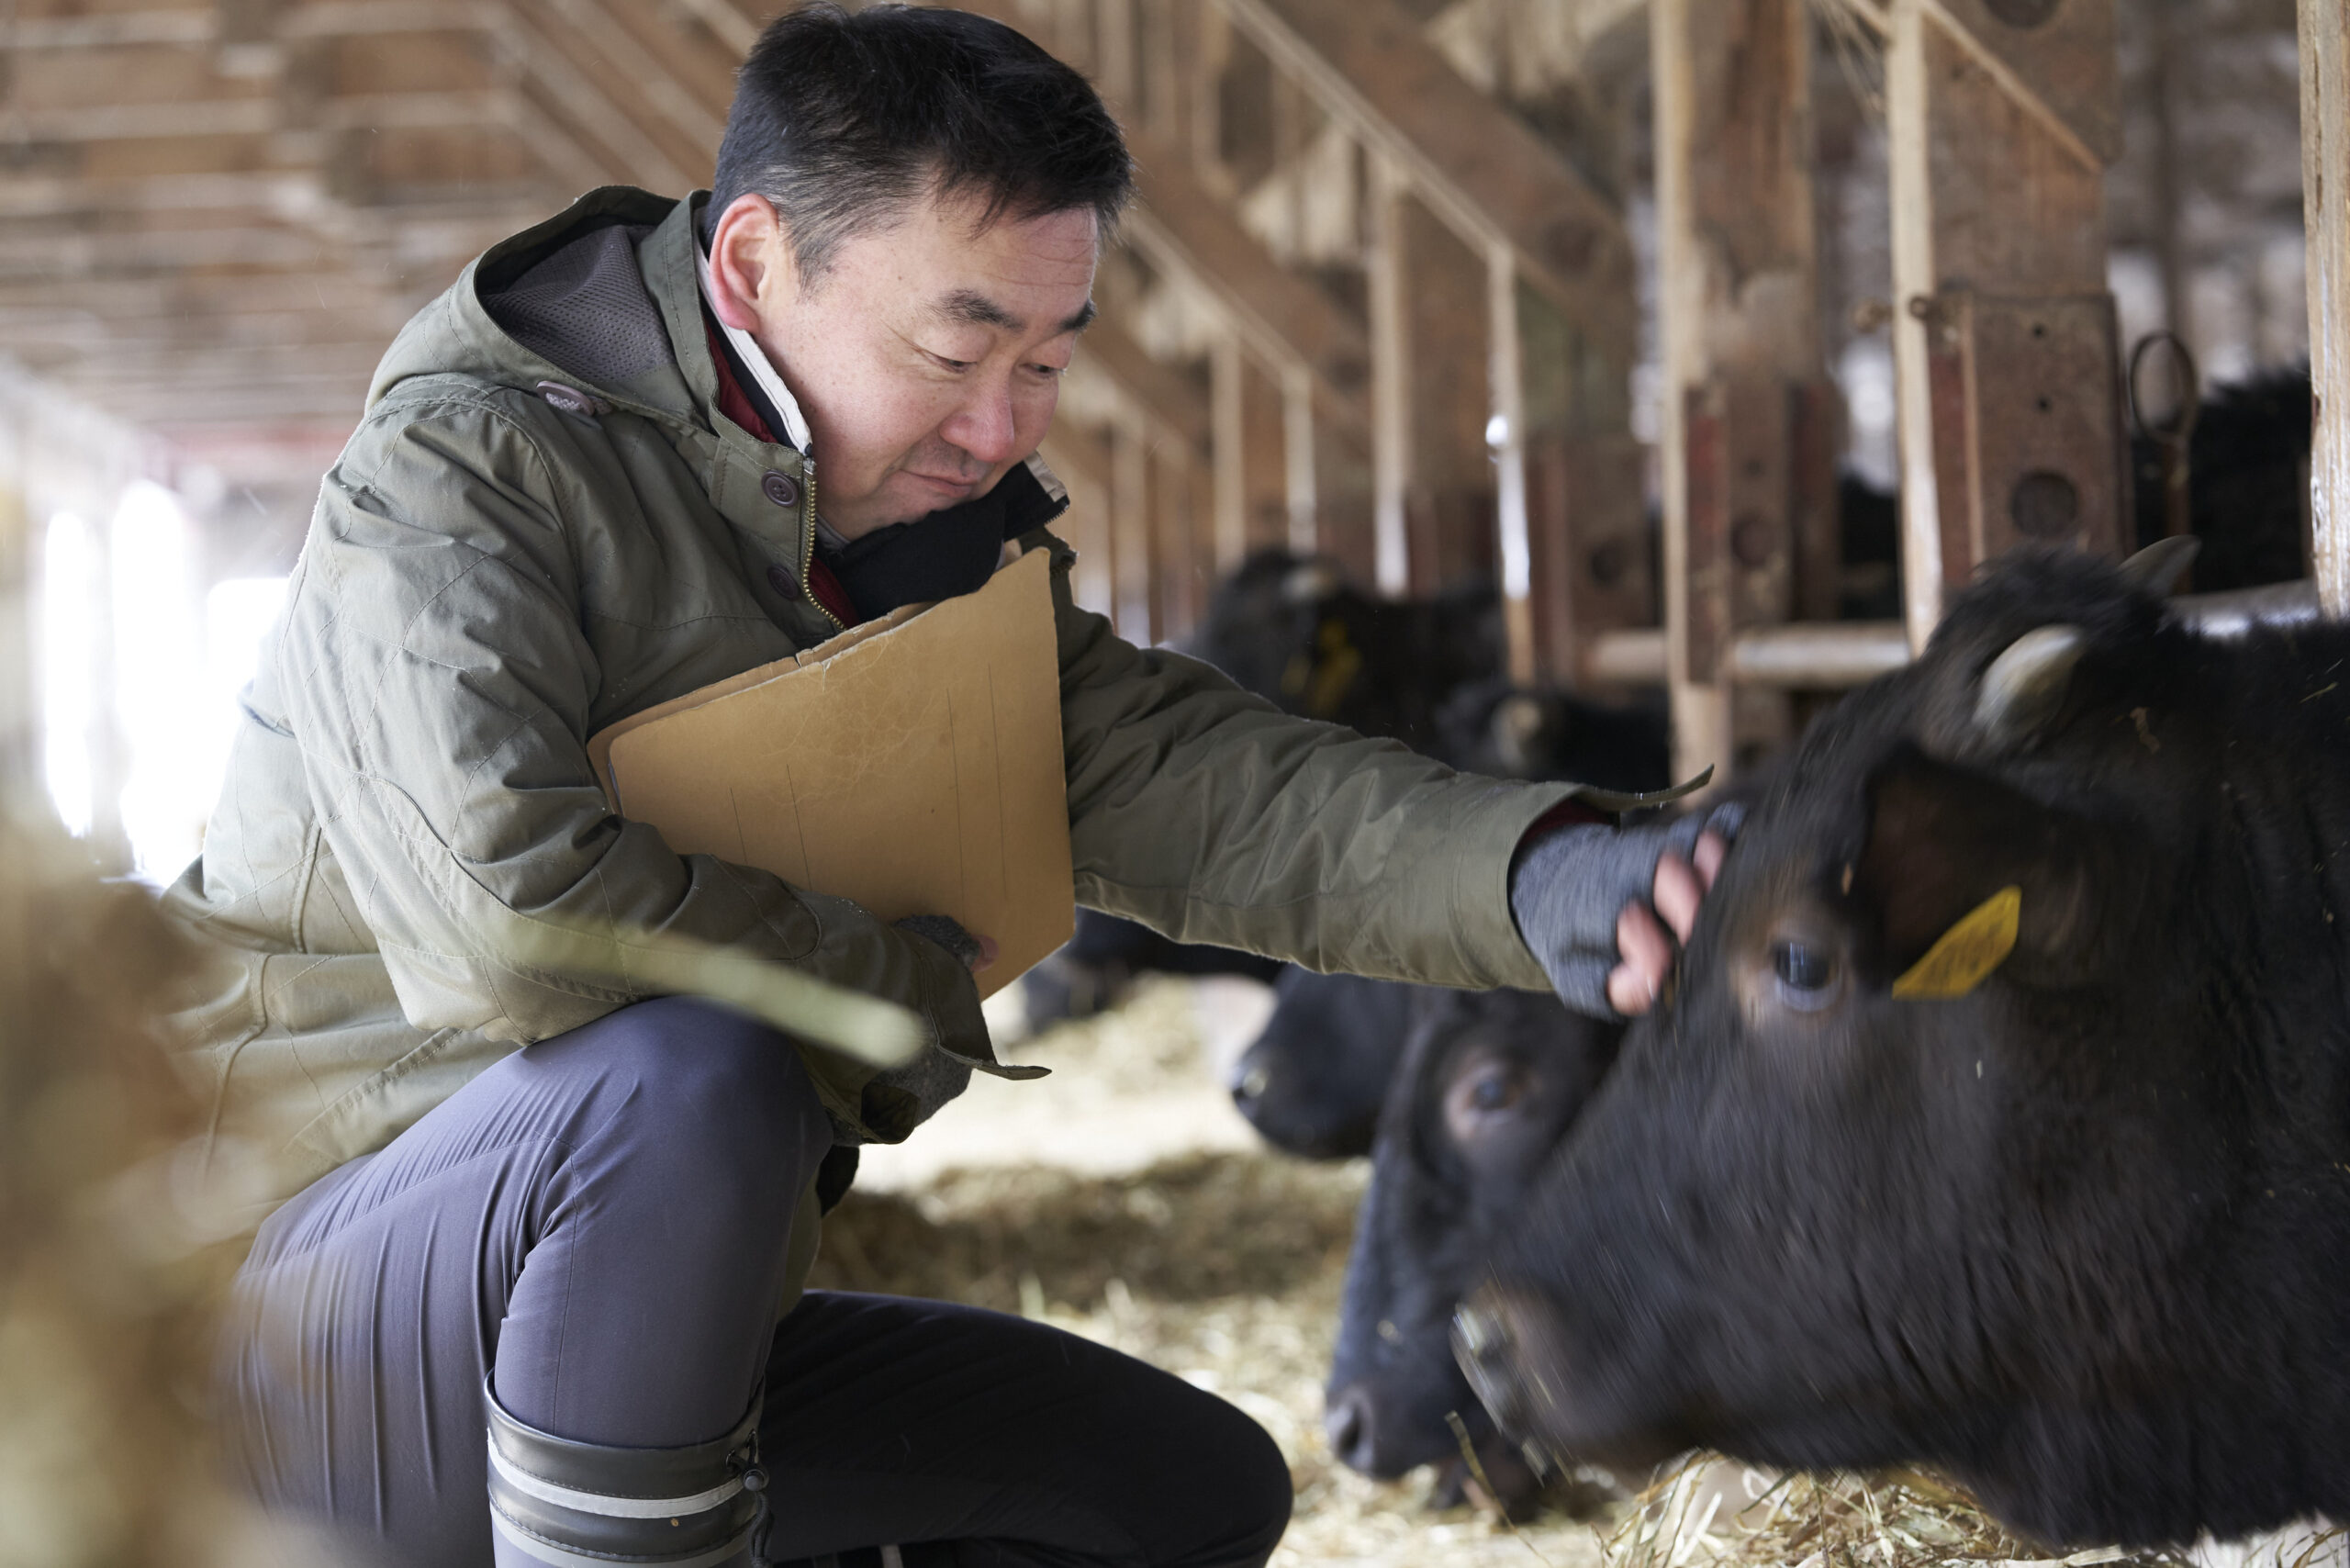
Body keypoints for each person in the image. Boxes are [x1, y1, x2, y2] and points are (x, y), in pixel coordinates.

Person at [162, 8, 1730, 1567]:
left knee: (1171, 1494)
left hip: (631, 1334)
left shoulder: (892, 532)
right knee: (687, 1075)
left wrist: (1544, 875)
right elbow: (518, 928)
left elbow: (1188, 775)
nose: (1002, 425)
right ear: (759, 265)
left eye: (1047, 358)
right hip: (290, 1353)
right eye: (956, 348)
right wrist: (898, 995)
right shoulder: (458, 481)